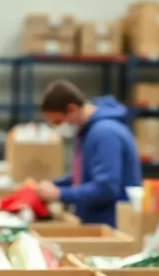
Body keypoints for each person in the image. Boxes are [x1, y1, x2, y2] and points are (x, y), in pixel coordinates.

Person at [34, 80, 142, 227]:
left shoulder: (105, 133)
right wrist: (54, 185)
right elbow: (84, 176)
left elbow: (106, 188)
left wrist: (59, 194)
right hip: (95, 221)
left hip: (112, 226)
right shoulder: (88, 131)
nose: (60, 127)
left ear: (71, 109)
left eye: (59, 122)